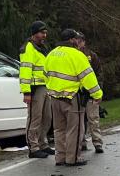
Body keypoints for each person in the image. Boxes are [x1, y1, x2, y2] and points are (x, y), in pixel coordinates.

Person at [44, 28, 103, 167]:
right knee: (75, 130)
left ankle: (60, 158)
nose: (78, 41)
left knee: (59, 130)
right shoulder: (77, 55)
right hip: (71, 98)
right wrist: (97, 94)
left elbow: (45, 74)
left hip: (55, 98)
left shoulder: (52, 54)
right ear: (71, 40)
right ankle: (73, 158)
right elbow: (88, 77)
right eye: (76, 38)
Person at [20, 22, 53, 158]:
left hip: (45, 87)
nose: (44, 35)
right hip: (34, 89)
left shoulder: (41, 48)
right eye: (41, 33)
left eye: (45, 32)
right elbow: (25, 71)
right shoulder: (28, 48)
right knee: (35, 118)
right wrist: (27, 92)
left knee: (47, 118)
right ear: (34, 34)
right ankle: (33, 148)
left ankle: (42, 144)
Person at [82, 41, 104, 154]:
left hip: (91, 92)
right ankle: (82, 143)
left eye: (81, 41)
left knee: (93, 118)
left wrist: (98, 88)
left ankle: (97, 143)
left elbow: (99, 72)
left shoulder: (91, 55)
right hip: (79, 93)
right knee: (80, 120)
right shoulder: (73, 55)